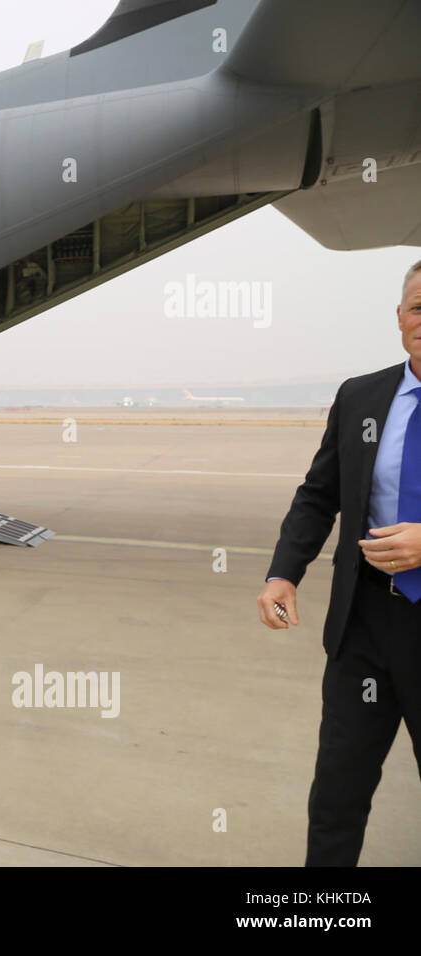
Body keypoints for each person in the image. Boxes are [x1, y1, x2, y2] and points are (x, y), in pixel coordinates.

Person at [258, 259, 421, 866]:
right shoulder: (362, 397)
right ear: (400, 318)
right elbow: (319, 493)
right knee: (336, 797)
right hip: (365, 629)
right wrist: (282, 573)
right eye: (416, 307)